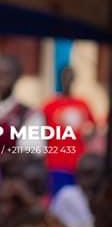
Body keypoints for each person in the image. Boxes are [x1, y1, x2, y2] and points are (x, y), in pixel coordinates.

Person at [42, 65, 97, 194]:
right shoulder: (50, 105)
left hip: (78, 164)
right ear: (60, 80)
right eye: (65, 78)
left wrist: (87, 138)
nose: (67, 81)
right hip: (55, 163)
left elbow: (93, 127)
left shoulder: (82, 104)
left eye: (70, 78)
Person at [51, 152, 105, 227]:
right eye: (81, 173)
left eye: (90, 173)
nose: (85, 180)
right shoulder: (67, 195)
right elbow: (53, 220)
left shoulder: (105, 198)